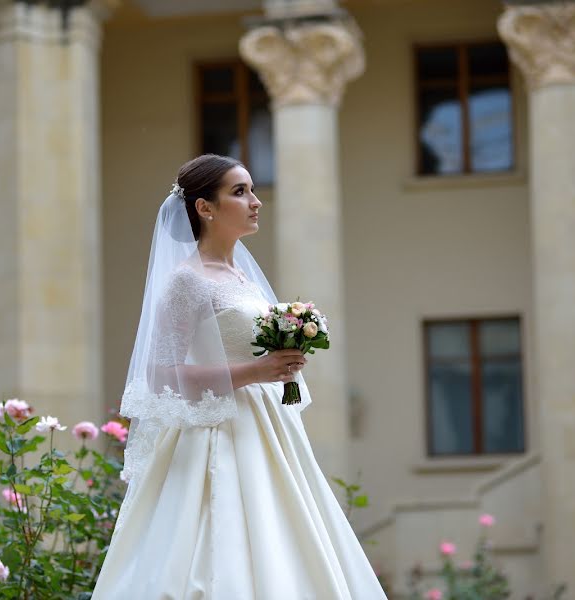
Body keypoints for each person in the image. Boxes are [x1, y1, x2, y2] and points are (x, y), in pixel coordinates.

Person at [92, 154, 387, 599]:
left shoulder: (243, 279)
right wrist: (256, 370)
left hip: (268, 428)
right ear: (204, 208)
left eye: (252, 189)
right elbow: (160, 374)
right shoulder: (186, 281)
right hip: (217, 433)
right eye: (239, 191)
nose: (255, 201)